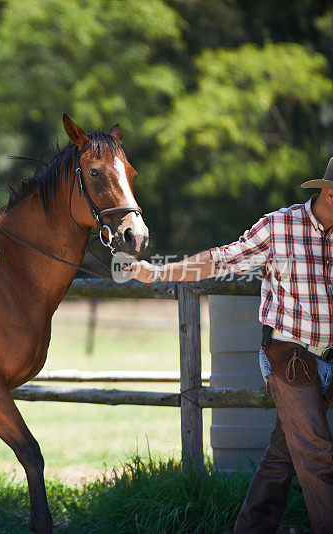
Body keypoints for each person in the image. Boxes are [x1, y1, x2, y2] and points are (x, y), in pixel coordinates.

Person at [129, 157, 333, 533]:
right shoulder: (280, 226)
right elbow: (220, 260)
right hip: (290, 356)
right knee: (319, 455)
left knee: (283, 455)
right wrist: (158, 273)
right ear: (330, 193)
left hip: (329, 357)